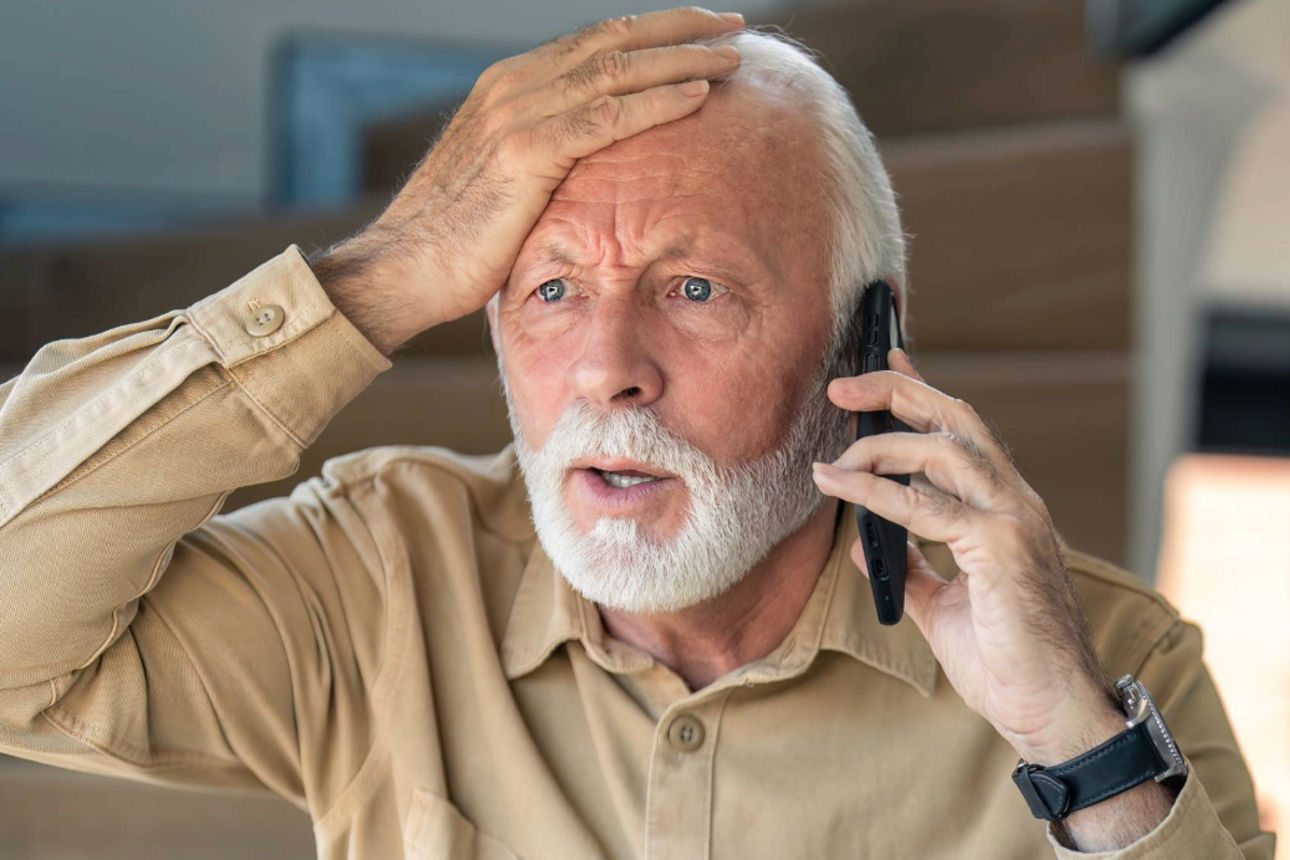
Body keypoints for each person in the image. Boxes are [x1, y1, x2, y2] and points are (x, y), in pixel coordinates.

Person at [0, 8, 1273, 859]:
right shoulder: (379, 574)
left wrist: (1080, 748)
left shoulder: (1103, 661)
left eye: (695, 288)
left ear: (863, 345)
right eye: (548, 290)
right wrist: (384, 274)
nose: (608, 372)